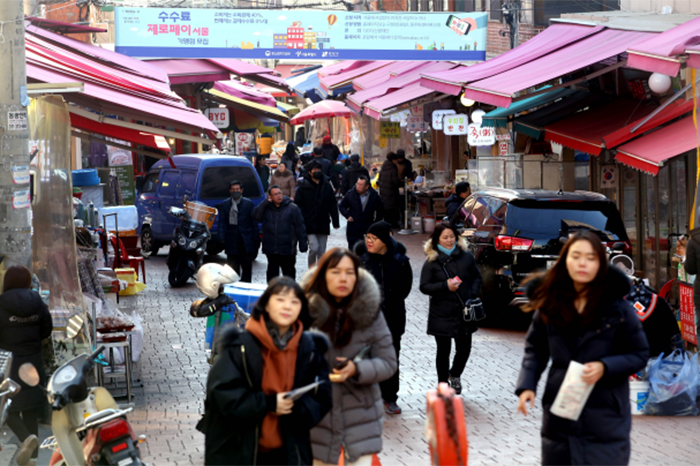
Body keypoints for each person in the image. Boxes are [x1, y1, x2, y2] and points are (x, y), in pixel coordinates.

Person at [516, 231, 650, 465]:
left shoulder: (617, 307)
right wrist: (527, 385)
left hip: (605, 414)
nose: (582, 263)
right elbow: (535, 349)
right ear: (565, 260)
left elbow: (639, 353)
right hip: (561, 413)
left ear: (601, 263)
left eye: (590, 258)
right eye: (576, 256)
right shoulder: (551, 302)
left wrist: (605, 367)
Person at [200, 277, 332, 465]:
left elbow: (323, 396)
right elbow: (221, 394)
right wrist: (268, 403)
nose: (287, 306)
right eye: (280, 299)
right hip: (241, 451)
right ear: (266, 305)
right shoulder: (242, 346)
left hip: (289, 451)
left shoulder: (309, 348)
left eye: (295, 301)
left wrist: (297, 409)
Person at [301, 248, 397, 466]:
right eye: (335, 271)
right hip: (316, 417)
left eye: (349, 272)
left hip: (361, 417)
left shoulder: (371, 312)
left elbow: (388, 363)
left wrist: (357, 369)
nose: (343, 278)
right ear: (323, 274)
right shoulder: (304, 310)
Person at [353, 221, 412, 415]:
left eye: (374, 239)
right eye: (367, 238)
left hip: (393, 317)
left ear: (385, 240)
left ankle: (390, 397)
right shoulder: (361, 261)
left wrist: (389, 301)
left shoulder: (400, 261)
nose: (369, 242)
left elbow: (405, 288)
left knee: (391, 357)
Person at [419, 222, 482, 394]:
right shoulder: (432, 260)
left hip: (464, 310)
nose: (449, 240)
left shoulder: (466, 256)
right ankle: (442, 384)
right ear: (437, 239)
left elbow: (477, 276)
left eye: (452, 237)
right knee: (443, 350)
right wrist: (444, 286)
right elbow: (424, 286)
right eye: (445, 237)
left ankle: (455, 374)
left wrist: (472, 295)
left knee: (464, 349)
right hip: (442, 312)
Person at [0, 265, 52, 465]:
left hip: (10, 365)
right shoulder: (37, 302)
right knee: (30, 410)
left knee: (8, 408)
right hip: (33, 364)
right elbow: (46, 330)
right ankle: (33, 459)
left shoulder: (1, 304)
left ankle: (24, 438)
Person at [254, 185, 308, 282]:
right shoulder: (266, 208)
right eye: (275, 194)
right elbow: (256, 216)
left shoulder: (292, 208)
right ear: (270, 196)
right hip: (271, 248)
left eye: (280, 193)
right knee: (272, 275)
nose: (279, 196)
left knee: (289, 275)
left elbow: (300, 227)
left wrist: (303, 243)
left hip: (287, 248)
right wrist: (265, 202)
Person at [295, 161, 340, 267]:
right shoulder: (303, 186)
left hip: (323, 221)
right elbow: (298, 204)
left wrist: (335, 221)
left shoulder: (326, 185)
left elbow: (332, 204)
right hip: (309, 222)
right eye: (314, 170)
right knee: (314, 248)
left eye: (318, 169)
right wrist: (303, 218)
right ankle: (311, 270)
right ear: (310, 172)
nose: (317, 172)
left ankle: (319, 273)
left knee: (321, 251)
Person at [217, 180, 260, 282]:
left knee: (246, 267)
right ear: (230, 190)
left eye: (237, 189)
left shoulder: (248, 204)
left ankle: (246, 287)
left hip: (245, 239)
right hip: (231, 239)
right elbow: (221, 222)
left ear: (242, 190)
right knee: (232, 268)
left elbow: (254, 222)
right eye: (233, 189)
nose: (235, 191)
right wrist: (221, 237)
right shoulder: (225, 204)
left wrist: (256, 239)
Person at [339, 175, 384, 250]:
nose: (358, 186)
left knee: (367, 249)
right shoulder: (350, 194)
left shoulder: (374, 196)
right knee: (353, 249)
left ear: (367, 187)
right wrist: (348, 216)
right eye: (357, 184)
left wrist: (376, 223)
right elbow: (342, 206)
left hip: (368, 226)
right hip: (353, 226)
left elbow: (381, 210)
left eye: (361, 185)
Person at [378, 152, 401, 228]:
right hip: (391, 192)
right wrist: (402, 183)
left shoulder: (383, 167)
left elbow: (379, 179)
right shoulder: (393, 168)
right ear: (394, 160)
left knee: (386, 207)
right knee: (393, 208)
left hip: (383, 191)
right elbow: (395, 181)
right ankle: (394, 224)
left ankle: (387, 223)